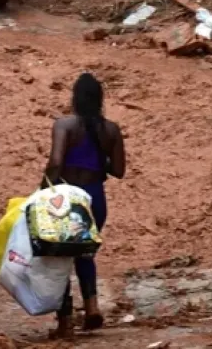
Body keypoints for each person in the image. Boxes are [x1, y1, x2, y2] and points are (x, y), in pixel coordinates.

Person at [41, 72, 126, 338]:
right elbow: (120, 170)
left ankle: (65, 321)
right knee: (85, 253)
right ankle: (92, 307)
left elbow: (56, 162)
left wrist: (42, 190)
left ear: (74, 98)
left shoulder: (64, 125)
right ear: (100, 100)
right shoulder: (111, 130)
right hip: (94, 197)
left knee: (59, 254)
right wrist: (98, 160)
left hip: (65, 197)